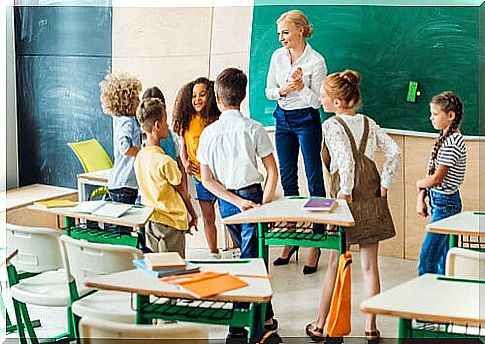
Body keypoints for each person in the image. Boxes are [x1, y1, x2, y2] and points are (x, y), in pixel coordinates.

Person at [305, 70, 401, 342]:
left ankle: (321, 325)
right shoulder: (370, 123)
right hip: (372, 196)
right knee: (370, 266)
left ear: (337, 102)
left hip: (345, 201)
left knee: (335, 262)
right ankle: (371, 328)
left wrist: (344, 195)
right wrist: (385, 183)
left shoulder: (332, 126)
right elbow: (394, 152)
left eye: (323, 95)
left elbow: (345, 162)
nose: (320, 99)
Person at [197, 68, 279, 341]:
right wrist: (261, 205)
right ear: (242, 96)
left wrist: (233, 200)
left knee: (248, 259)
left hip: (227, 201)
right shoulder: (253, 128)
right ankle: (243, 323)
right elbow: (272, 172)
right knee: (251, 262)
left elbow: (207, 180)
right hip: (252, 198)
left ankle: (259, 318)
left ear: (217, 100)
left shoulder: (209, 133)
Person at [265, 9, 327, 274]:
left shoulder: (316, 62)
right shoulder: (278, 57)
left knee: (314, 179)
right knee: (288, 179)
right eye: (279, 33)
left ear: (301, 30)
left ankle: (316, 243)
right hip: (283, 120)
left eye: (286, 32)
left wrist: (301, 88)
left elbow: (319, 103)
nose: (281, 38)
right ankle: (291, 240)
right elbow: (268, 91)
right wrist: (283, 90)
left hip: (307, 120)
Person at [134, 98, 198, 258]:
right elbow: (183, 192)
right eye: (165, 121)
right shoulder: (165, 162)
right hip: (171, 224)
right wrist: (194, 215)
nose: (168, 126)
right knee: (174, 271)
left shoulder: (140, 157)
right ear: (157, 125)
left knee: (156, 268)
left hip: (151, 221)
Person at [416, 92, 466, 276]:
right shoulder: (444, 139)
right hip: (439, 201)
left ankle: (425, 299)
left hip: (446, 206)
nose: (431, 118)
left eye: (435, 114)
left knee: (428, 260)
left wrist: (418, 184)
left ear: (450, 116)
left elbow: (437, 178)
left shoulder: (453, 142)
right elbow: (431, 172)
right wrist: (421, 196)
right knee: (442, 260)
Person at [172, 77, 222, 258]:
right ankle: (214, 252)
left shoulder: (216, 119)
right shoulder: (188, 120)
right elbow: (183, 145)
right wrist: (185, 162)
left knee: (228, 215)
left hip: (219, 178)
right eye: (194, 96)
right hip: (200, 179)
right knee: (208, 218)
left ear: (211, 96)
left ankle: (241, 249)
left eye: (202, 95)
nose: (197, 99)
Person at [99, 73, 142, 232]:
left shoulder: (120, 119)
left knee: (121, 226)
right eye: (136, 99)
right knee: (123, 228)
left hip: (120, 182)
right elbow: (125, 147)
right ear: (127, 102)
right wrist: (141, 152)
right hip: (125, 183)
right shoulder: (127, 121)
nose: (139, 102)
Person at [142, 86, 186, 186]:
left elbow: (180, 164)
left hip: (173, 185)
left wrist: (184, 188)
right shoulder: (142, 140)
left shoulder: (171, 135)